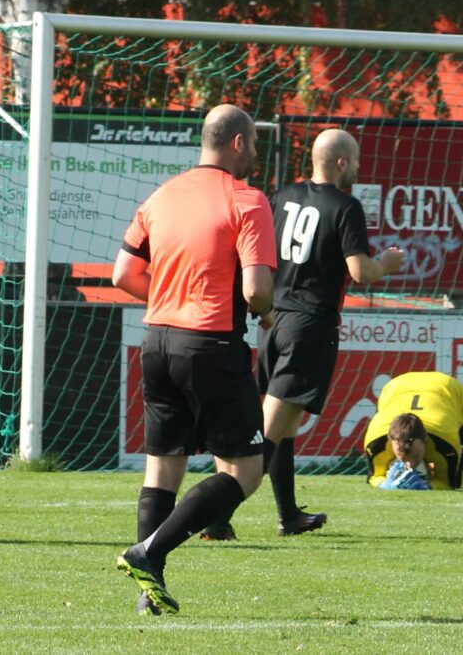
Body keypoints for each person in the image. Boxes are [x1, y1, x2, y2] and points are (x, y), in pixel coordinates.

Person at [110, 104, 277, 615]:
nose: (255, 153)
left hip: (157, 340)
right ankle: (148, 552)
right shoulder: (247, 199)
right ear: (237, 142)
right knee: (247, 471)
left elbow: (123, 275)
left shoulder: (162, 196)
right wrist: (265, 312)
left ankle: (149, 594)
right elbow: (256, 290)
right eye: (253, 143)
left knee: (163, 468)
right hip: (210, 346)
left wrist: (173, 300)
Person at [202, 128, 404, 540]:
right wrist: (386, 263)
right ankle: (216, 517)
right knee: (268, 432)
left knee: (284, 427)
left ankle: (289, 515)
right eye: (356, 160)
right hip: (309, 327)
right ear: (341, 162)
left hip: (273, 322)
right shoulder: (346, 206)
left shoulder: (280, 197)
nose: (359, 167)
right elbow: (360, 271)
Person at [363, 372, 463, 490]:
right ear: (389, 439)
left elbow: (447, 483)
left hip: (448, 387)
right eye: (401, 456)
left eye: (415, 456)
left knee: (456, 481)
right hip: (396, 387)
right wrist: (386, 485)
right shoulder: (375, 443)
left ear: (425, 438)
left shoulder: (446, 444)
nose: (410, 465)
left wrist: (427, 486)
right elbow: (374, 477)